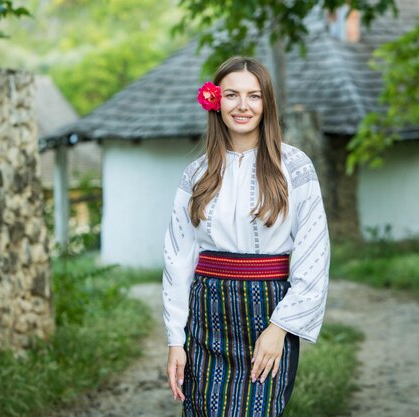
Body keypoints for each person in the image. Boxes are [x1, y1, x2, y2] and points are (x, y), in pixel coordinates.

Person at [162, 56, 330, 416]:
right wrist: (176, 339)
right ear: (215, 102)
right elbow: (178, 259)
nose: (242, 106)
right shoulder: (196, 175)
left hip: (266, 312)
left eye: (254, 96)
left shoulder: (294, 166)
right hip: (208, 315)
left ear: (266, 103)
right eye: (231, 95)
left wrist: (280, 328)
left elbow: (313, 252)